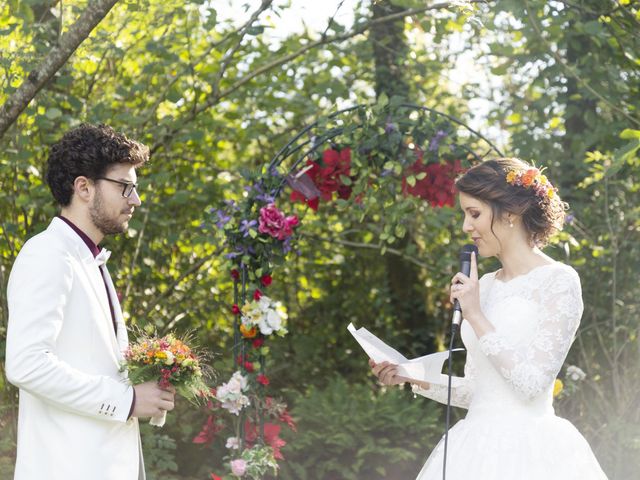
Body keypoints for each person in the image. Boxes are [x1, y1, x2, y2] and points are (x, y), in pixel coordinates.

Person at [370, 158, 608, 479]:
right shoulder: (483, 286)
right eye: (464, 214)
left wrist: (476, 315)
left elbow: (531, 386)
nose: (466, 227)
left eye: (474, 214)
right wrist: (410, 375)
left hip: (530, 453)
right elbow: (477, 392)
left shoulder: (559, 281)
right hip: (472, 450)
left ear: (510, 213)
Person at [5, 124, 176, 480]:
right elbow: (26, 365)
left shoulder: (88, 258)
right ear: (83, 187)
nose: (136, 200)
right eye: (126, 187)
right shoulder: (48, 254)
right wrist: (127, 401)